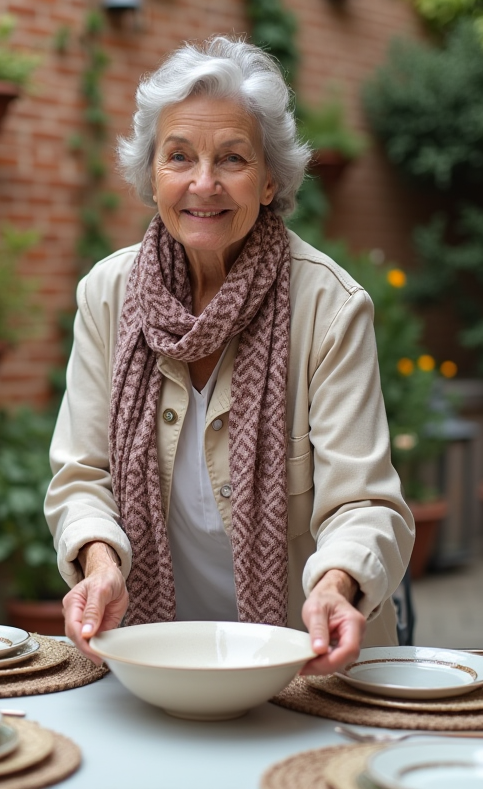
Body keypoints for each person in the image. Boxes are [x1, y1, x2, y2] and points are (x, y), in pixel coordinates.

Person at [44, 36, 413, 676]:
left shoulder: (329, 307)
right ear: (150, 174)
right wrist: (100, 564)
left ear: (270, 180)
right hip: (155, 664)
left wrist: (336, 586)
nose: (203, 183)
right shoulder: (107, 294)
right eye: (179, 156)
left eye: (233, 158)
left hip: (306, 666)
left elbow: (365, 503)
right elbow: (82, 476)